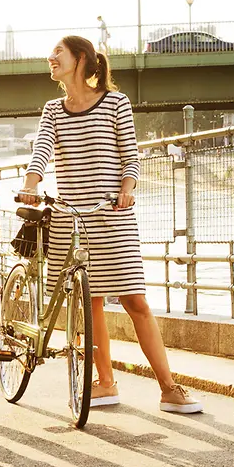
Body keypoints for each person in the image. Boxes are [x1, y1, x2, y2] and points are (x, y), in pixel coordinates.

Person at [20, 35, 203, 414]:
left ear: (81, 58)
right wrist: (30, 186)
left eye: (59, 52)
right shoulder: (53, 110)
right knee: (91, 304)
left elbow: (130, 157)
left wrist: (127, 189)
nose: (50, 57)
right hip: (69, 219)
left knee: (136, 300)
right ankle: (104, 383)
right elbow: (42, 151)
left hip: (112, 215)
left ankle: (168, 388)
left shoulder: (116, 103)